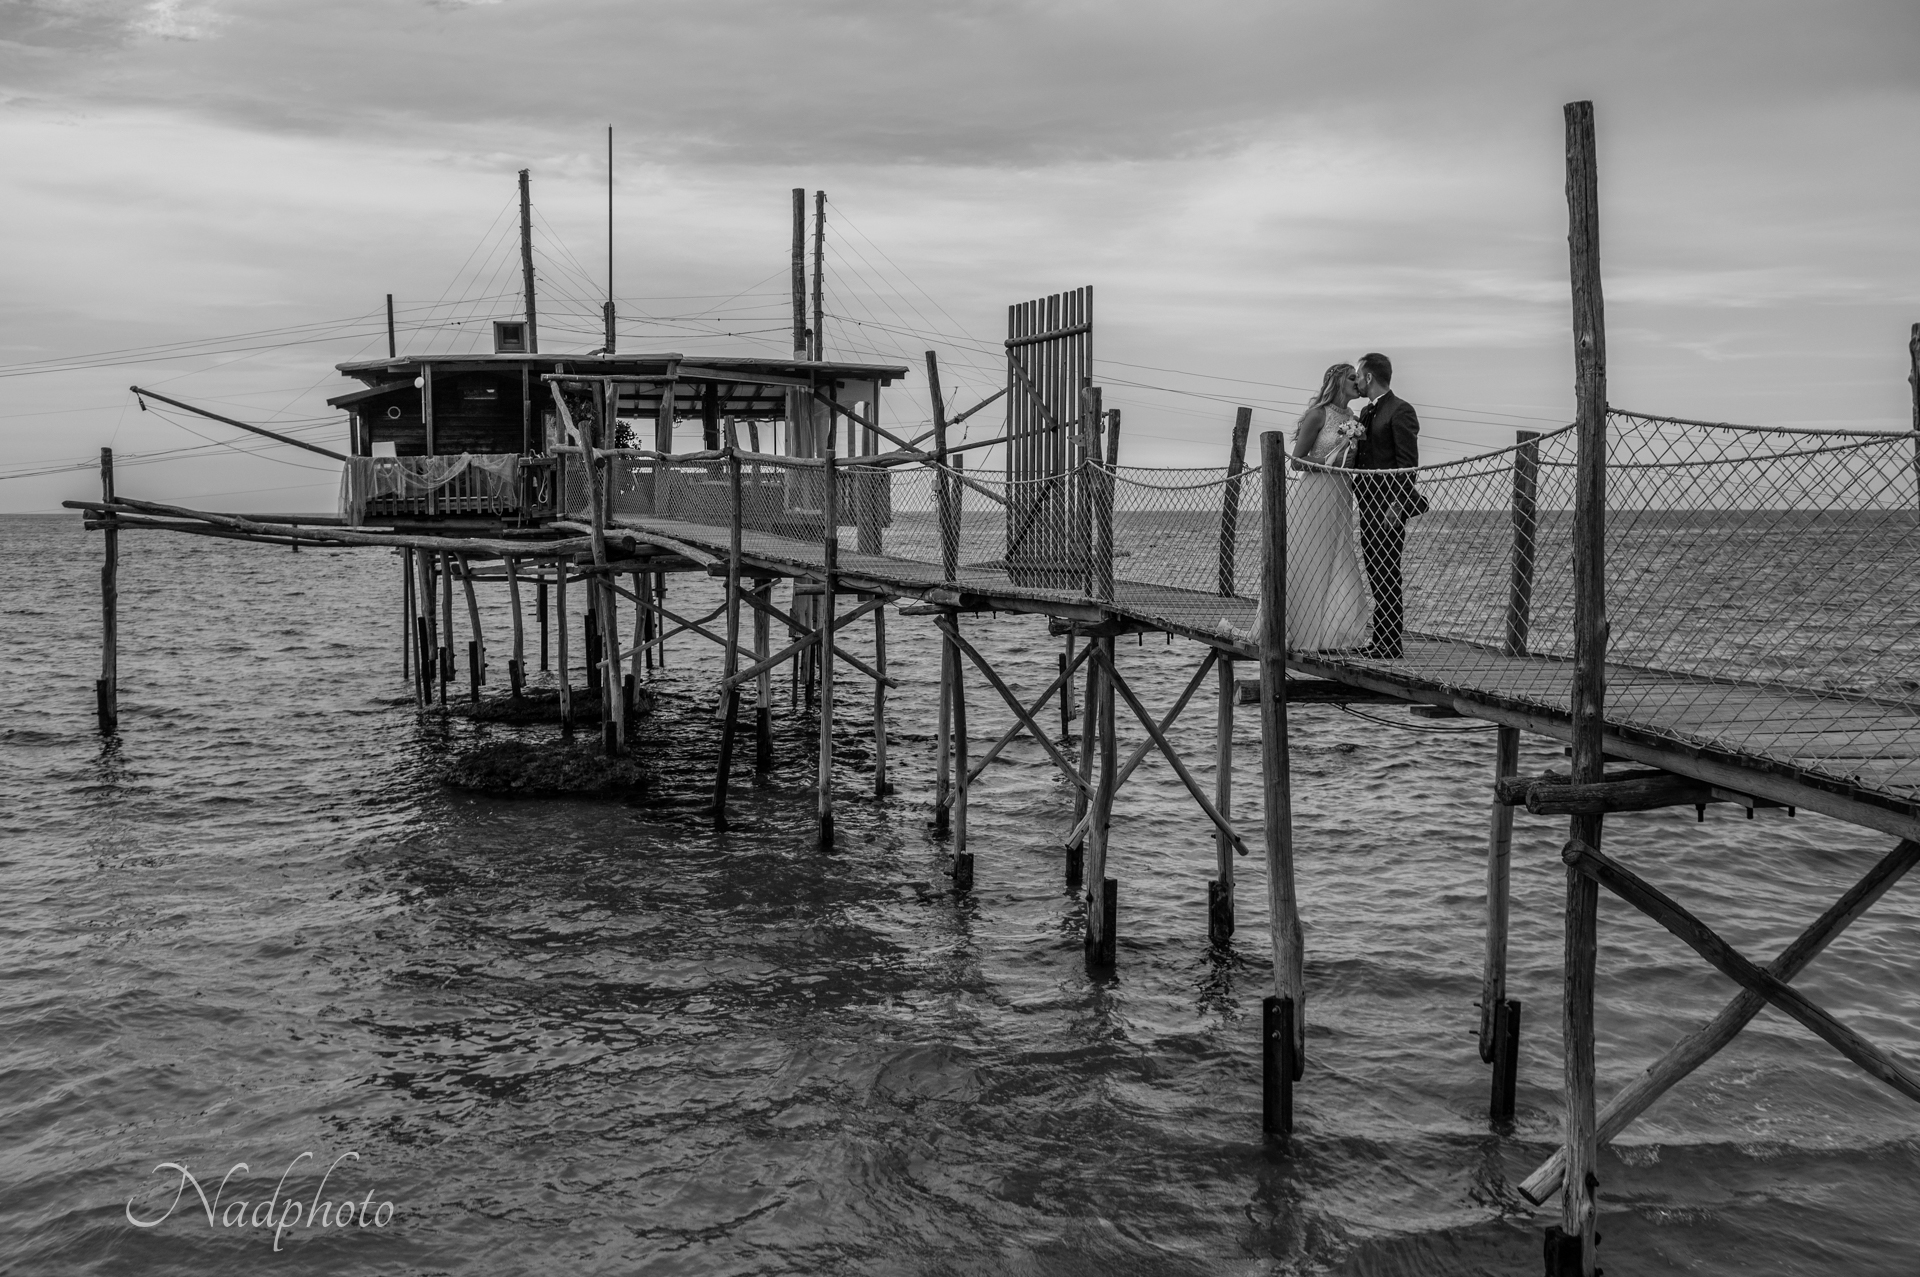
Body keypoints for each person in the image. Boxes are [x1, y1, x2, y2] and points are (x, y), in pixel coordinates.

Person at [1221, 363, 1370, 650]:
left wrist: (1346, 460)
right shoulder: (1319, 414)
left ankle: (1330, 633)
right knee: (1308, 560)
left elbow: (1348, 460)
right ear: (1337, 381)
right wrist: (1328, 463)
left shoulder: (1353, 417)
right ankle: (1294, 630)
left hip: (1341, 493)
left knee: (1338, 559)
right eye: (1352, 377)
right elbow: (1297, 460)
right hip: (1315, 494)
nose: (1357, 382)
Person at [1350, 352, 1422, 659]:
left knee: (1388, 570)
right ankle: (1379, 639)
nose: (1355, 380)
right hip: (1367, 503)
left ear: (1369, 377)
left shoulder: (1400, 410)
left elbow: (1408, 465)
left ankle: (1390, 643)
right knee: (1374, 570)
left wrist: (1396, 505)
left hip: (1389, 507)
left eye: (1358, 375)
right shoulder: (1366, 412)